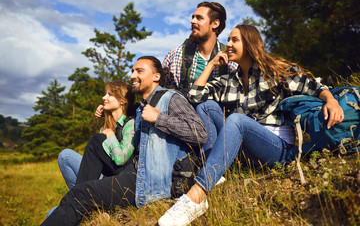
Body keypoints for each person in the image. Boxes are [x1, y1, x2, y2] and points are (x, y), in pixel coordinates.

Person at [158, 24, 344, 226]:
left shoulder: (274, 71)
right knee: (206, 105)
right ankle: (214, 171)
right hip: (247, 151)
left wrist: (331, 101)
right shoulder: (231, 80)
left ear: (250, 44)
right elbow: (195, 96)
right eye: (227, 40)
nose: (227, 45)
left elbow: (314, 87)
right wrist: (211, 64)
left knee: (236, 120)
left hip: (277, 150)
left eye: (234, 40)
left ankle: (196, 196)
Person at [42, 56, 207, 226]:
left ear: (156, 76)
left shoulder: (171, 98)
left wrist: (159, 118)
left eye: (139, 71)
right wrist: (104, 109)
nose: (132, 75)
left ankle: (82, 203)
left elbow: (200, 133)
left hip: (148, 181)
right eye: (132, 71)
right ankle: (83, 205)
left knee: (79, 195)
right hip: (132, 171)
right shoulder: (140, 107)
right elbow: (122, 111)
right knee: (95, 145)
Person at [46, 81, 136, 217]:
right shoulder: (109, 125)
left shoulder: (130, 124)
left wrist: (110, 136)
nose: (103, 98)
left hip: (117, 182)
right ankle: (81, 200)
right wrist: (106, 117)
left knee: (51, 214)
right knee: (65, 156)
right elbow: (96, 159)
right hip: (103, 175)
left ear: (122, 100)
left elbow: (120, 159)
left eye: (109, 95)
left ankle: (79, 202)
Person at [162, 1, 237, 93]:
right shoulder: (176, 53)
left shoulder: (230, 59)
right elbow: (159, 87)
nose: (192, 21)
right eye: (193, 17)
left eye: (199, 18)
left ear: (215, 24)